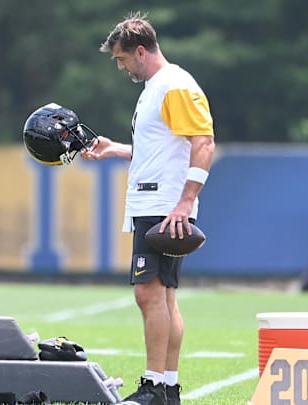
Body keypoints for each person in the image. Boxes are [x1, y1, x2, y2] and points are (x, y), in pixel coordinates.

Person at [81, 12, 215, 405]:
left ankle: (154, 386)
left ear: (141, 51)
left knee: (148, 294)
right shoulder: (157, 87)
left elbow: (203, 142)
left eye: (123, 60)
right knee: (164, 297)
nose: (122, 67)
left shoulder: (173, 84)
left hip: (164, 204)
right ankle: (168, 387)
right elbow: (159, 149)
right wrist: (114, 149)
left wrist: (186, 200)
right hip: (158, 200)